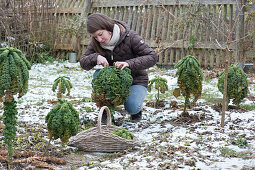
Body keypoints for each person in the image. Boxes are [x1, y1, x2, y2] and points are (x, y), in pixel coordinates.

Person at [80, 13, 158, 121]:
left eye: (101, 34)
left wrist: (128, 64)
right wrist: (95, 57)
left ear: (108, 28)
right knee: (98, 75)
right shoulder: (95, 43)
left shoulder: (130, 37)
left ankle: (136, 109)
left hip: (136, 80)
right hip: (113, 80)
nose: (99, 39)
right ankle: (106, 110)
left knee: (132, 107)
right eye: (95, 37)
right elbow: (83, 63)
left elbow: (152, 57)